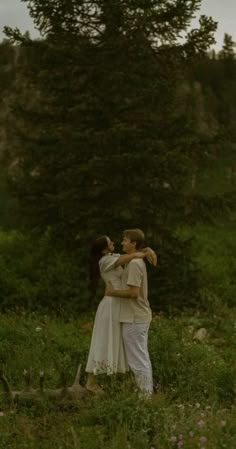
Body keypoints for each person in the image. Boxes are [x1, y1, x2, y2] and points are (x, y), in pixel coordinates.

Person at [85, 235, 156, 394]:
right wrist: (143, 253)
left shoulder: (113, 256)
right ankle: (91, 381)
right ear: (104, 249)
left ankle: (126, 383)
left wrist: (147, 250)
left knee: (118, 343)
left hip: (119, 304)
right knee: (103, 339)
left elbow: (129, 255)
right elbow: (129, 257)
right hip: (111, 304)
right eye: (110, 242)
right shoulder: (105, 261)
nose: (114, 243)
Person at [105, 228, 154, 397]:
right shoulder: (133, 261)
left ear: (133, 243)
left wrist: (112, 293)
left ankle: (145, 398)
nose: (122, 243)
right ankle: (145, 394)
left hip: (135, 317)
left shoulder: (134, 265)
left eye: (125, 240)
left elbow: (133, 293)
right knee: (140, 357)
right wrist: (145, 251)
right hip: (135, 317)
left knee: (138, 359)